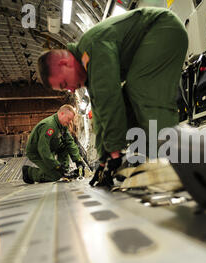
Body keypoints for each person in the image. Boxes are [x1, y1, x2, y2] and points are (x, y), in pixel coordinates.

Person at [37, 7, 188, 186]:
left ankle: (174, 163)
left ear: (65, 63)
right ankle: (147, 160)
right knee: (128, 101)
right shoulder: (89, 72)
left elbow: (109, 99)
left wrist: (114, 152)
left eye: (64, 84)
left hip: (163, 28)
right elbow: (101, 115)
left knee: (140, 87)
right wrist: (103, 159)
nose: (70, 90)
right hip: (153, 38)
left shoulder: (92, 48)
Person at [22, 104, 85, 184]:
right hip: (37, 152)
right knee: (54, 176)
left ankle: (64, 170)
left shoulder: (62, 124)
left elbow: (69, 142)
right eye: (69, 119)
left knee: (65, 146)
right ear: (62, 114)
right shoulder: (49, 126)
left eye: (71, 120)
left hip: (50, 147)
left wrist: (78, 160)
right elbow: (43, 150)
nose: (70, 122)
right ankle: (29, 172)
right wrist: (56, 166)